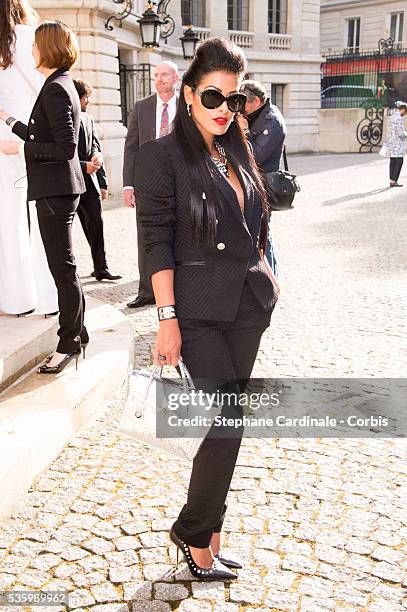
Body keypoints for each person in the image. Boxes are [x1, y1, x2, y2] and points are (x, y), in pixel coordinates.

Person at [134, 38, 279, 581]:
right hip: (196, 311)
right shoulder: (162, 157)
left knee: (230, 423)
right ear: (190, 95)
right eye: (214, 96)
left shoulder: (235, 147)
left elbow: (256, 220)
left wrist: (267, 271)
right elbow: (156, 242)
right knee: (229, 420)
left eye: (234, 99)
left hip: (246, 306)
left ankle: (210, 534)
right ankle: (194, 535)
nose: (224, 108)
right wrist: (166, 318)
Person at [0, 20, 88, 374]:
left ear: (48, 48)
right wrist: (9, 121)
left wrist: (19, 150)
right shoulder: (58, 84)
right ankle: (78, 333)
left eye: (35, 45)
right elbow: (42, 132)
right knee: (65, 269)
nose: (31, 50)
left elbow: (65, 147)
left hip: (56, 191)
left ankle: (67, 343)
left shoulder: (54, 89)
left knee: (62, 271)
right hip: (58, 190)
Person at [0, 0, 57, 317]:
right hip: (36, 134)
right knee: (44, 219)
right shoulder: (33, 36)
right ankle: (49, 298)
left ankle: (16, 299)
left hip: (5, 137)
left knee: (9, 221)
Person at [123, 61, 180, 308]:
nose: (159, 79)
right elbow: (131, 147)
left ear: (176, 78)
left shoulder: (188, 107)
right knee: (146, 236)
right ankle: (147, 291)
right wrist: (128, 185)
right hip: (147, 183)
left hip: (179, 179)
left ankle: (177, 291)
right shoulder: (142, 107)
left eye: (165, 75)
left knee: (179, 234)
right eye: (156, 75)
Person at [73, 79, 122, 282]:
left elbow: (95, 146)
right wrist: (84, 165)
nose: (88, 102)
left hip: (90, 184)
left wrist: (102, 180)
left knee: (96, 226)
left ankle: (101, 268)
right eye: (86, 98)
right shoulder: (63, 118)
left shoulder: (89, 119)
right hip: (68, 183)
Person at [240, 80, 286, 276]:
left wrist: (245, 131)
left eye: (244, 104)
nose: (241, 109)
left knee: (262, 234)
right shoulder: (259, 114)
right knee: (262, 233)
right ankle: (270, 277)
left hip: (263, 185)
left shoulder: (271, 120)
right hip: (254, 184)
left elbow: (256, 156)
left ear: (257, 101)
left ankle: (270, 280)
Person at [384, 101, 407, 187]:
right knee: (399, 161)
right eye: (405, 112)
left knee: (392, 161)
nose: (405, 114)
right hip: (397, 144)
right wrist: (406, 134)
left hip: (391, 142)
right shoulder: (399, 118)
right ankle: (394, 181)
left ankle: (392, 180)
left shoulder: (392, 116)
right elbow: (400, 133)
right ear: (403, 109)